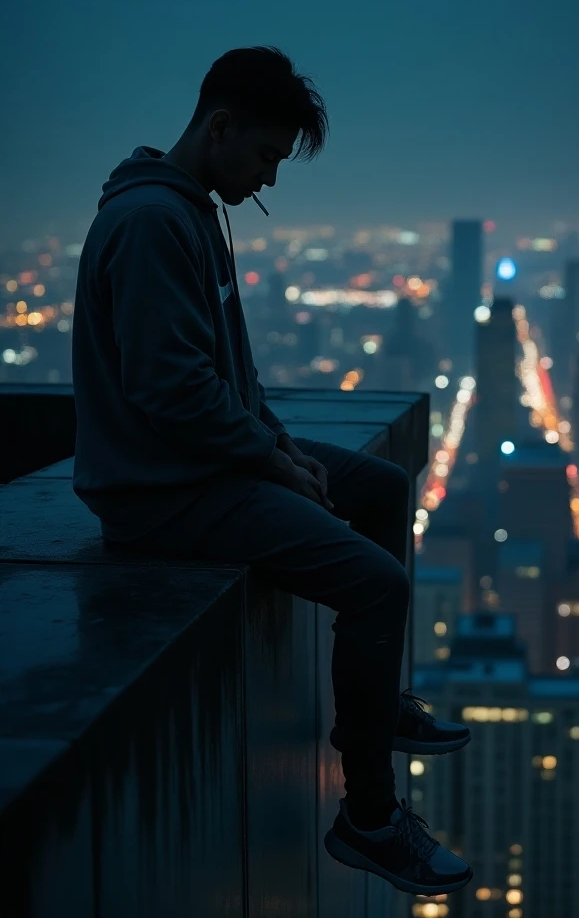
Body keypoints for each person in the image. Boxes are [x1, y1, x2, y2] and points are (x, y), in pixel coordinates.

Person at [71, 46, 473, 896]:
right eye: (265, 157)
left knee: (380, 487)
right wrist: (271, 466)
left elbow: (229, 374)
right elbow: (171, 391)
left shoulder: (191, 212)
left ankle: (379, 697)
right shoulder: (153, 224)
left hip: (203, 464)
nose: (269, 181)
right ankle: (367, 818)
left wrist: (281, 447)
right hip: (162, 492)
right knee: (376, 584)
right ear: (220, 128)